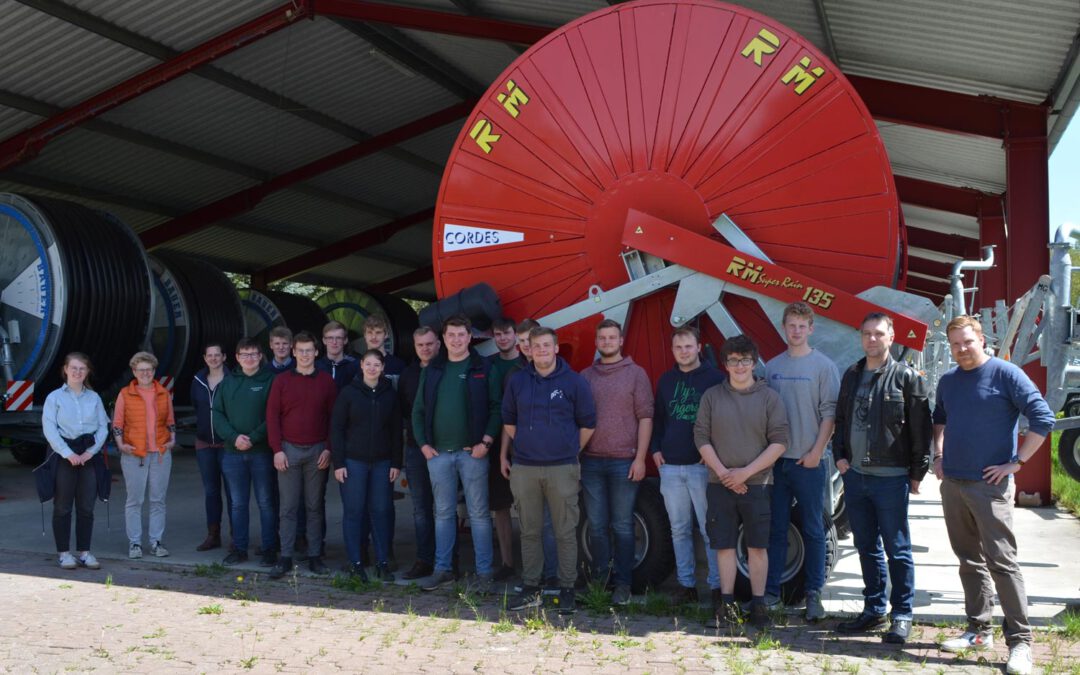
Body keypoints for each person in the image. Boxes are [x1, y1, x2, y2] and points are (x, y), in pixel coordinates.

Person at [933, 316, 1055, 675]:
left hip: (990, 487)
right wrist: (938, 455)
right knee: (968, 560)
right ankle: (978, 630)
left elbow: (1043, 419)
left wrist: (1015, 464)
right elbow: (939, 418)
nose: (962, 349)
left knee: (1002, 562)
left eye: (967, 342)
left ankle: (1020, 644)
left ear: (981, 339)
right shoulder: (949, 380)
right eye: (955, 344)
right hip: (953, 483)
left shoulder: (1006, 374)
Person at [833, 313, 932, 644]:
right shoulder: (852, 374)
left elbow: (921, 430)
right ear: (860, 338)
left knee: (897, 548)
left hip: (891, 478)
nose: (872, 339)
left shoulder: (906, 378)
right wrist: (840, 458)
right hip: (856, 477)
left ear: (892, 337)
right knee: (865, 546)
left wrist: (917, 473)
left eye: (879, 334)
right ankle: (874, 609)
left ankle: (901, 614)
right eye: (866, 334)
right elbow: (841, 418)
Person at [695, 335, 789, 631]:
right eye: (733, 361)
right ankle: (726, 604)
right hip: (718, 482)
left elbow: (780, 442)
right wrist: (725, 473)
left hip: (758, 484)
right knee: (723, 545)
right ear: (725, 364)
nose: (739, 366)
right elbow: (701, 437)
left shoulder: (769, 397)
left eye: (745, 360)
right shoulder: (712, 396)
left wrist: (744, 473)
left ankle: (758, 605)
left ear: (753, 362)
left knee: (757, 546)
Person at [502, 327, 596, 613]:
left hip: (562, 468)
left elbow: (588, 424)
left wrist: (568, 450)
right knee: (529, 530)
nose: (541, 350)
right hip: (525, 468)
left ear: (556, 348)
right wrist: (531, 446)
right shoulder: (517, 381)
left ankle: (567, 588)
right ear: (528, 350)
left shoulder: (574, 382)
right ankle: (532, 586)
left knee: (565, 531)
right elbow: (509, 421)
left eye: (546, 345)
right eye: (536, 346)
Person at [412, 315, 501, 592]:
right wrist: (424, 445)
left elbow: (497, 408)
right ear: (444, 338)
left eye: (461, 334)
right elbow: (418, 411)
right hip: (438, 455)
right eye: (451, 335)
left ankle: (484, 573)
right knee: (443, 514)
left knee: (479, 514)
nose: (456, 339)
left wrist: (485, 443)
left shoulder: (483, 367)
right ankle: (443, 570)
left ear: (470, 336)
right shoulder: (433, 370)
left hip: (472, 454)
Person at [764, 301, 839, 620]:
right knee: (776, 529)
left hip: (809, 463)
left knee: (812, 530)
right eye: (790, 325)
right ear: (784, 328)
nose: (796, 331)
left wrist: (815, 453)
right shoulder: (772, 367)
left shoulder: (823, 367)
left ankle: (814, 595)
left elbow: (830, 415)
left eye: (801, 326)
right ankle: (769, 594)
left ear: (811, 329)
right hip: (778, 464)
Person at [580, 319, 654, 606]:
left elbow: (645, 417)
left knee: (623, 525)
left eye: (612, 338)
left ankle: (623, 584)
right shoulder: (586, 376)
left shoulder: (636, 374)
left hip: (625, 461)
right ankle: (601, 581)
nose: (607, 342)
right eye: (602, 338)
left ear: (621, 341)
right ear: (597, 342)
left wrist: (640, 458)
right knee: (597, 525)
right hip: (592, 463)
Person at [651, 326, 725, 604]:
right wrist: (656, 449)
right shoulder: (667, 380)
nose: (683, 352)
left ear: (698, 347)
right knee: (679, 528)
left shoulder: (716, 379)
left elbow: (723, 419)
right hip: (670, 467)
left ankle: (718, 587)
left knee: (710, 529)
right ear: (673, 351)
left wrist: (715, 455)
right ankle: (686, 586)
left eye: (688, 346)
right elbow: (658, 418)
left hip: (702, 467)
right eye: (678, 347)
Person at [267, 331, 338, 578]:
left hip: (318, 450)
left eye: (310, 350)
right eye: (301, 350)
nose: (306, 355)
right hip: (289, 450)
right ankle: (285, 557)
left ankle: (314, 556)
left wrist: (329, 447)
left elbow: (334, 419)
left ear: (316, 353)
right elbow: (272, 417)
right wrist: (277, 450)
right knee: (287, 507)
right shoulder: (282, 381)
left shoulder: (326, 381)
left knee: (314, 506)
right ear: (293, 352)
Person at [332, 349, 403, 581]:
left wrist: (396, 462)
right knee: (354, 512)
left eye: (377, 365)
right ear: (361, 365)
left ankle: (383, 562)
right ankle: (356, 563)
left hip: (383, 463)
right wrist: (339, 463)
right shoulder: (348, 393)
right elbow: (337, 430)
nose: (372, 368)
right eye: (368, 363)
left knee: (381, 511)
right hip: (353, 462)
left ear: (383, 368)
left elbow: (395, 431)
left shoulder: (389, 394)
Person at [40, 352, 109, 570]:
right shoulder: (54, 398)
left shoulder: (94, 398)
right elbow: (49, 428)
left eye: (82, 368)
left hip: (88, 455)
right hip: (63, 456)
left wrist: (90, 452)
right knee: (62, 507)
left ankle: (85, 552)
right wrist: (67, 453)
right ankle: (64, 553)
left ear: (87, 372)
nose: (78, 372)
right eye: (74, 368)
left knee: (86, 507)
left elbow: (103, 427)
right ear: (65, 370)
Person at [214, 339, 278, 567]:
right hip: (233, 454)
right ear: (237, 357)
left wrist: (253, 437)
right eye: (244, 354)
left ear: (260, 356)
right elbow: (217, 415)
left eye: (253, 354)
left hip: (261, 452)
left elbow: (274, 416)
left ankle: (270, 548)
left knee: (266, 502)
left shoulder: (271, 381)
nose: (249, 358)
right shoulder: (227, 384)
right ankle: (239, 549)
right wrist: (234, 438)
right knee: (238, 504)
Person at [113, 351, 176, 559]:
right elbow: (118, 422)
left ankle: (156, 542)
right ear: (134, 371)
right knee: (135, 500)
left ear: (154, 370)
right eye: (141, 370)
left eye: (149, 370)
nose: (146, 373)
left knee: (158, 500)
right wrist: (120, 444)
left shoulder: (163, 393)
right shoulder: (125, 394)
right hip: (134, 455)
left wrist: (173, 439)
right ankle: (135, 544)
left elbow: (170, 420)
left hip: (160, 454)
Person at [398, 326, 440, 580]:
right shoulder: (408, 375)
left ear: (438, 344)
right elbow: (404, 412)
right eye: (420, 345)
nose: (425, 348)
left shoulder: (447, 369)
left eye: (429, 343)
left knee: (445, 510)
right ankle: (424, 560)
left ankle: (449, 561)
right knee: (421, 509)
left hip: (444, 449)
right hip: (416, 450)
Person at [486, 317, 521, 582]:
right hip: (497, 443)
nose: (503, 338)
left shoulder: (528, 364)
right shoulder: (489, 366)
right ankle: (507, 562)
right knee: (500, 506)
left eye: (507, 333)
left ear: (516, 335)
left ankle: (538, 566)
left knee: (533, 508)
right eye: (498, 334)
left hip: (528, 444)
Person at [190, 342, 232, 552]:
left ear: (224, 357)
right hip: (205, 444)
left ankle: (236, 537)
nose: (214, 358)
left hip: (228, 445)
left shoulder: (233, 379)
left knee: (234, 492)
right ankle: (213, 535)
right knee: (211, 491)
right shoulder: (197, 380)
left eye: (218, 355)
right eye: (210, 355)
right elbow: (196, 407)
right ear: (205, 358)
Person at [317, 320, 360, 389]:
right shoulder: (316, 367)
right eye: (330, 338)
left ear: (345, 340)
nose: (334, 342)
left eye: (338, 338)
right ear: (324, 341)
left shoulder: (356, 366)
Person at [363, 314, 407, 379]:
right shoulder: (354, 366)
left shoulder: (399, 365)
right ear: (364, 335)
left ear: (386, 335)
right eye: (370, 332)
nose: (374, 337)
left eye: (378, 332)